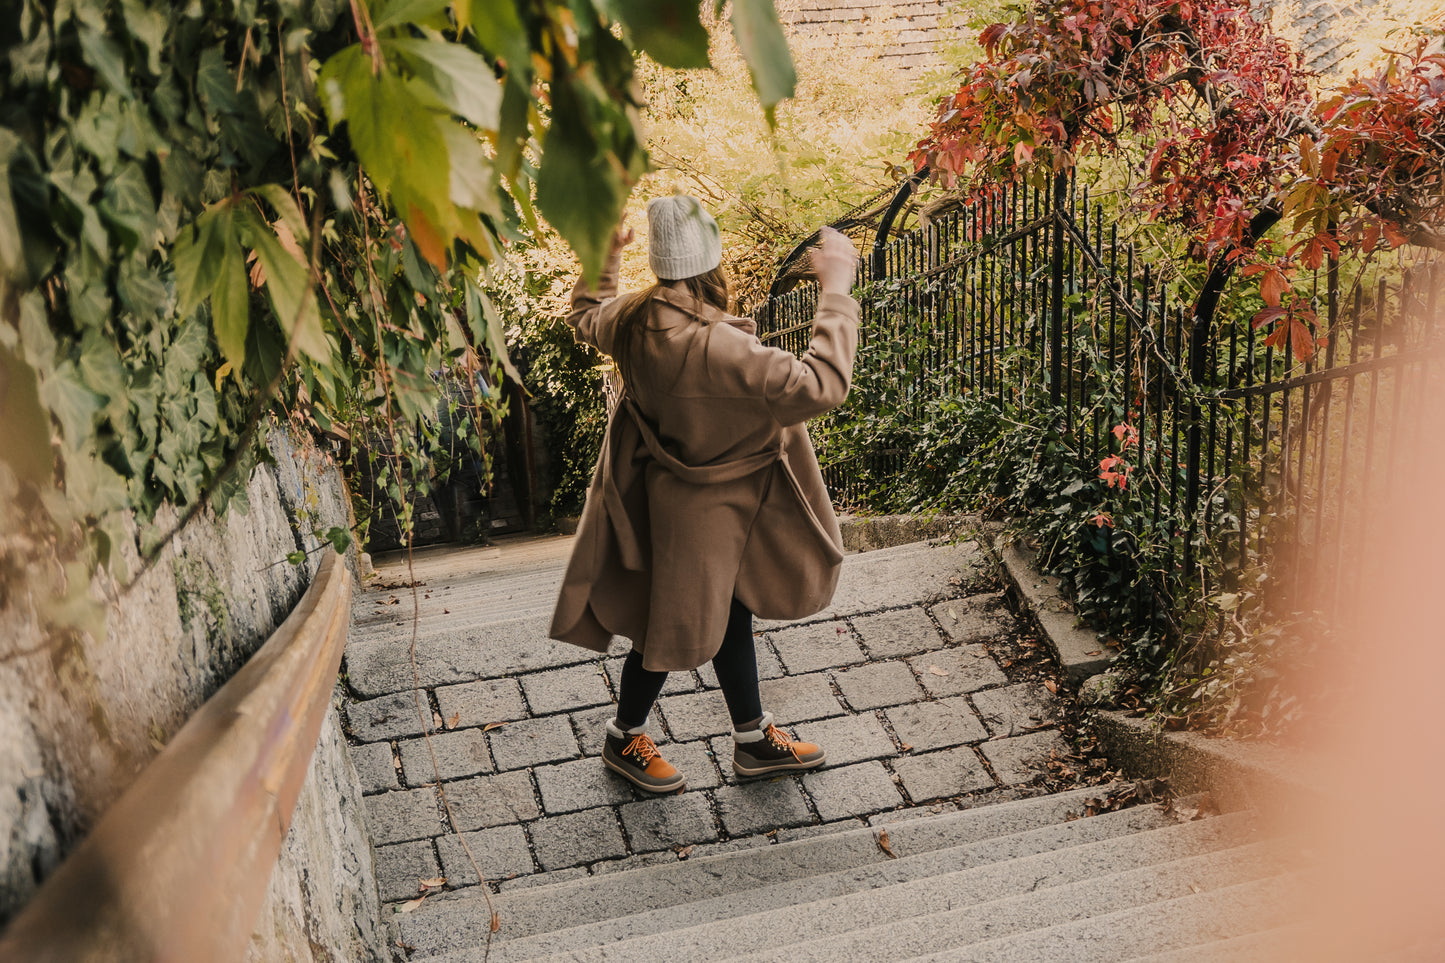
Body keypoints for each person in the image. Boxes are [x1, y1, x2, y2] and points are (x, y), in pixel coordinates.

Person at [549, 195, 860, 792]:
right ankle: (624, 736)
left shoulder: (636, 321)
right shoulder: (723, 348)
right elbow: (822, 385)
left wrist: (603, 259)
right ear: (713, 263)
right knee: (669, 624)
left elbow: (588, 312)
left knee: (728, 607)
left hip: (683, 496)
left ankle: (751, 736)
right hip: (705, 510)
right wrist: (838, 288)